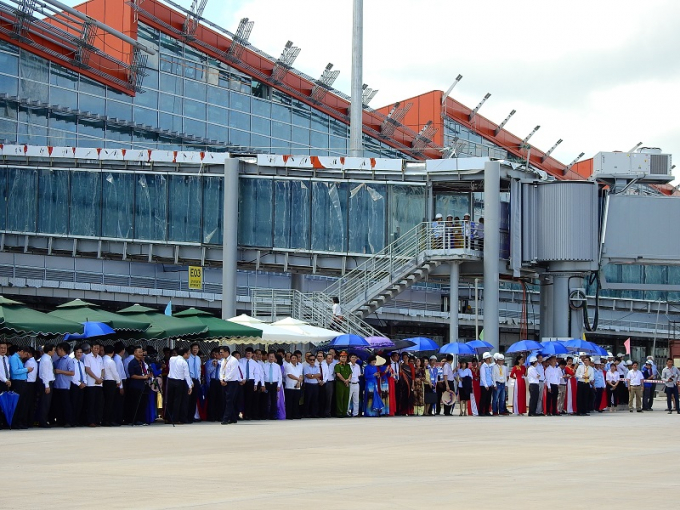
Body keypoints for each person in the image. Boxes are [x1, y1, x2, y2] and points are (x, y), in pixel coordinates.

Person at [166, 347, 193, 425]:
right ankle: (175, 418)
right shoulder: (184, 362)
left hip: (170, 380)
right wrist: (190, 386)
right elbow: (186, 375)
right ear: (185, 354)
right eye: (188, 353)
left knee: (170, 399)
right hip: (179, 381)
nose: (189, 355)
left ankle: (168, 418)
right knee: (177, 401)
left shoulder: (171, 359)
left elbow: (170, 367)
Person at [127, 346, 151, 426]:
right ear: (134, 353)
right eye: (139, 352)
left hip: (143, 385)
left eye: (142, 352)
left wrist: (147, 376)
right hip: (135, 386)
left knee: (143, 403)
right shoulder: (132, 363)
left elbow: (144, 372)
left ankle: (141, 419)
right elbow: (132, 375)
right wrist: (142, 377)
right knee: (136, 403)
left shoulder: (142, 362)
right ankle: (135, 419)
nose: (141, 354)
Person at [83, 342, 104, 427]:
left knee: (98, 403)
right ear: (91, 348)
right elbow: (87, 369)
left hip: (99, 384)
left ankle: (97, 420)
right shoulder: (87, 357)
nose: (96, 350)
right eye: (95, 348)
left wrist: (101, 378)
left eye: (98, 348)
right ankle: (91, 421)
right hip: (91, 383)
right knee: (91, 403)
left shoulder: (100, 358)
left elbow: (103, 370)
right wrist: (96, 378)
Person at [102, 345, 123, 427]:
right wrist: (118, 381)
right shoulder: (111, 361)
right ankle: (109, 420)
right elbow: (115, 373)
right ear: (113, 352)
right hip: (111, 382)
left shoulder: (102, 359)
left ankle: (105, 419)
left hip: (104, 381)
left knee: (106, 402)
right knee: (110, 402)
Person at [219, 346, 241, 425]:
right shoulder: (223, 360)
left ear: (226, 352)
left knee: (229, 400)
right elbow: (221, 371)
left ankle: (226, 418)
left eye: (221, 352)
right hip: (224, 382)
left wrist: (225, 379)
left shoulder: (233, 360)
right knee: (225, 400)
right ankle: (233, 418)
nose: (220, 354)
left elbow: (233, 372)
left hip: (232, 382)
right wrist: (221, 379)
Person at [37, 344, 56, 428]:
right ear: (49, 351)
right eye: (53, 350)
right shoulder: (45, 360)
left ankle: (44, 420)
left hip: (48, 382)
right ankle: (43, 421)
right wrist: (47, 385)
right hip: (46, 382)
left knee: (47, 403)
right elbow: (44, 373)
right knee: (45, 403)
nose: (54, 352)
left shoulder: (48, 358)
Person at [205, 348, 224, 422]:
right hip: (213, 381)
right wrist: (214, 366)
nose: (216, 356)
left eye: (218, 354)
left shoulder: (224, 362)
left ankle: (220, 416)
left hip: (220, 381)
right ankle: (211, 416)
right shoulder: (210, 362)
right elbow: (208, 372)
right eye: (215, 354)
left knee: (221, 399)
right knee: (212, 399)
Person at [70, 345, 87, 426]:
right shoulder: (72, 362)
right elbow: (72, 375)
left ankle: (78, 420)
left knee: (80, 404)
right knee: (74, 403)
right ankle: (72, 421)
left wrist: (84, 383)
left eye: (81, 352)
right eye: (78, 352)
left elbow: (84, 374)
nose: (79, 354)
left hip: (82, 385)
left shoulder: (82, 363)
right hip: (75, 385)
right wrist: (79, 383)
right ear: (74, 353)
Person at [262, 351, 282, 419]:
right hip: (266, 383)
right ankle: (265, 415)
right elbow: (262, 376)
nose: (271, 358)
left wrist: (279, 385)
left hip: (274, 384)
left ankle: (273, 415)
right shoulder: (264, 365)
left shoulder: (277, 366)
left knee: (274, 400)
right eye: (270, 357)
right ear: (267, 357)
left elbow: (280, 376)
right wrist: (263, 385)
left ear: (274, 358)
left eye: (272, 357)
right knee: (265, 400)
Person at [186, 343, 202, 423]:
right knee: (188, 399)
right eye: (194, 348)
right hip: (189, 379)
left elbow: (199, 370)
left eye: (197, 348)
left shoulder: (198, 358)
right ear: (191, 349)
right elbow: (187, 370)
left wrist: (199, 380)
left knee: (194, 399)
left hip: (196, 380)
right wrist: (189, 381)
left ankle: (192, 417)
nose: (195, 350)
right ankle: (187, 417)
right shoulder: (188, 358)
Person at [283, 353, 303, 420]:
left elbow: (300, 375)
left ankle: (296, 414)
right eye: (292, 358)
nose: (294, 359)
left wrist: (299, 382)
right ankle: (289, 415)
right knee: (289, 402)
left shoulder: (299, 366)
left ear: (297, 359)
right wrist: (298, 379)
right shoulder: (288, 366)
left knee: (296, 401)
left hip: (297, 386)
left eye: (295, 358)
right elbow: (289, 375)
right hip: (289, 386)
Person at [302, 352, 321, 418]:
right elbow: (308, 376)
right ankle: (306, 413)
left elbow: (319, 374)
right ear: (308, 360)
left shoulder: (317, 366)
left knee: (315, 400)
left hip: (315, 385)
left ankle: (314, 413)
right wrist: (314, 375)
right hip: (308, 385)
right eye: (311, 360)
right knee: (307, 400)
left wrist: (312, 375)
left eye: (313, 360)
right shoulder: (306, 367)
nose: (312, 361)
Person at [334, 351, 352, 417]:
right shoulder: (337, 365)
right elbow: (338, 374)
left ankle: (345, 412)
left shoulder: (348, 365)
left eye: (345, 357)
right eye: (342, 357)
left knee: (346, 397)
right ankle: (339, 412)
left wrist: (348, 380)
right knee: (339, 398)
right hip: (340, 383)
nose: (344, 358)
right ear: (339, 357)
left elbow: (350, 373)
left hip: (347, 383)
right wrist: (345, 380)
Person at [320, 352, 337, 417]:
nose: (329, 360)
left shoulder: (333, 365)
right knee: (322, 397)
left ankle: (328, 412)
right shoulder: (323, 364)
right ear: (325, 358)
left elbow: (334, 374)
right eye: (328, 358)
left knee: (329, 398)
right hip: (322, 382)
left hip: (330, 382)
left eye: (331, 358)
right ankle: (321, 412)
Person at [479, 352, 495, 416]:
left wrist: (492, 383)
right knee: (483, 399)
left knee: (488, 399)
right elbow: (483, 377)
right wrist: (485, 385)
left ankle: (487, 411)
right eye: (490, 358)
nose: (491, 359)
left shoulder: (489, 366)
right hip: (484, 385)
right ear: (487, 359)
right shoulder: (483, 366)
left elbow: (491, 375)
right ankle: (481, 411)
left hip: (489, 384)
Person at [387, 351, 400, 416]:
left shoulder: (398, 364)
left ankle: (397, 410)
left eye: (398, 356)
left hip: (398, 381)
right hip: (392, 381)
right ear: (392, 357)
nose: (397, 357)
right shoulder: (389, 365)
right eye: (396, 356)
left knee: (398, 396)